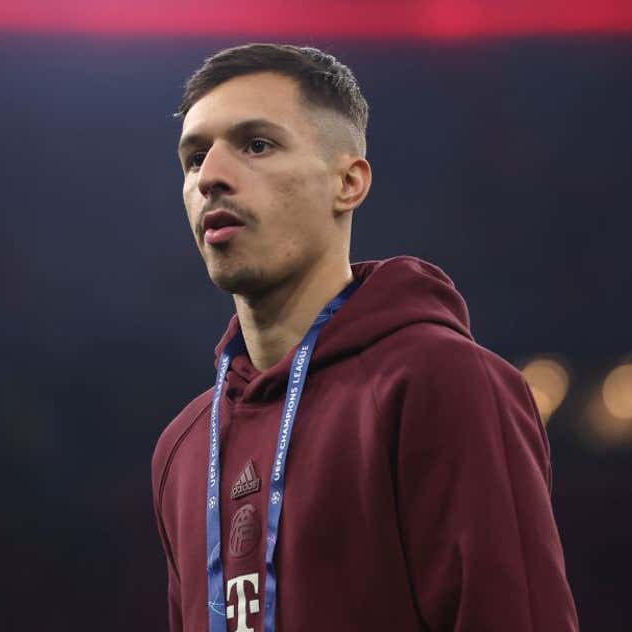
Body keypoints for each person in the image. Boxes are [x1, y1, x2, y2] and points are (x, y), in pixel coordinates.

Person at [150, 43, 579, 632]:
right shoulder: (185, 447)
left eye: (257, 145)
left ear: (348, 183)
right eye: (195, 158)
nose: (212, 179)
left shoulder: (442, 382)